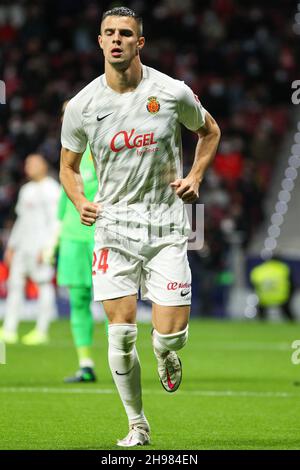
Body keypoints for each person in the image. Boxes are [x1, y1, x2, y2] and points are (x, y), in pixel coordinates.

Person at [60, 7, 220, 446]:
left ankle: (165, 352)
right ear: (99, 41)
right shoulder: (82, 105)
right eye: (109, 33)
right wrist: (79, 200)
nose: (117, 40)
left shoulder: (171, 92)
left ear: (139, 43)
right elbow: (68, 168)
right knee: (121, 334)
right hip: (113, 228)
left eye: (125, 34)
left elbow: (210, 131)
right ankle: (137, 425)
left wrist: (195, 177)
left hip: (166, 227)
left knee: (171, 340)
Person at [55, 101, 100, 382]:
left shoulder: (105, 149)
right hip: (73, 238)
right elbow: (63, 201)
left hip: (102, 235)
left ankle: (121, 360)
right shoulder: (68, 157)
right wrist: (55, 240)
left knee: (113, 301)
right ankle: (86, 365)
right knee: (79, 301)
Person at [0, 154, 60, 345]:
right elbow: (20, 220)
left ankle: (41, 330)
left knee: (43, 285)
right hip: (22, 248)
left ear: (44, 165)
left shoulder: (52, 189)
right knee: (14, 286)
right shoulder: (26, 189)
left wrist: (49, 247)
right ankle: (9, 329)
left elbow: (56, 222)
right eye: (27, 163)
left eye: (33, 163)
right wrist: (11, 246)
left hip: (40, 247)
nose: (28, 166)